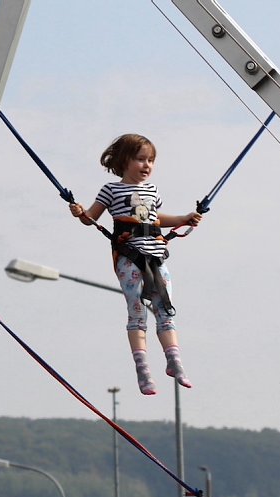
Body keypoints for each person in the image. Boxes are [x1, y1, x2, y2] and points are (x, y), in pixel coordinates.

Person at [70, 133, 202, 396]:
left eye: (151, 160)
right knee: (137, 310)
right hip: (129, 255)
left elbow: (156, 218)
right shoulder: (111, 190)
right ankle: (143, 370)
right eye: (141, 159)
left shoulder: (152, 191)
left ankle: (174, 361)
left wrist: (183, 218)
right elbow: (91, 218)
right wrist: (79, 212)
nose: (147, 166)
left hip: (156, 256)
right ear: (124, 160)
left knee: (165, 309)